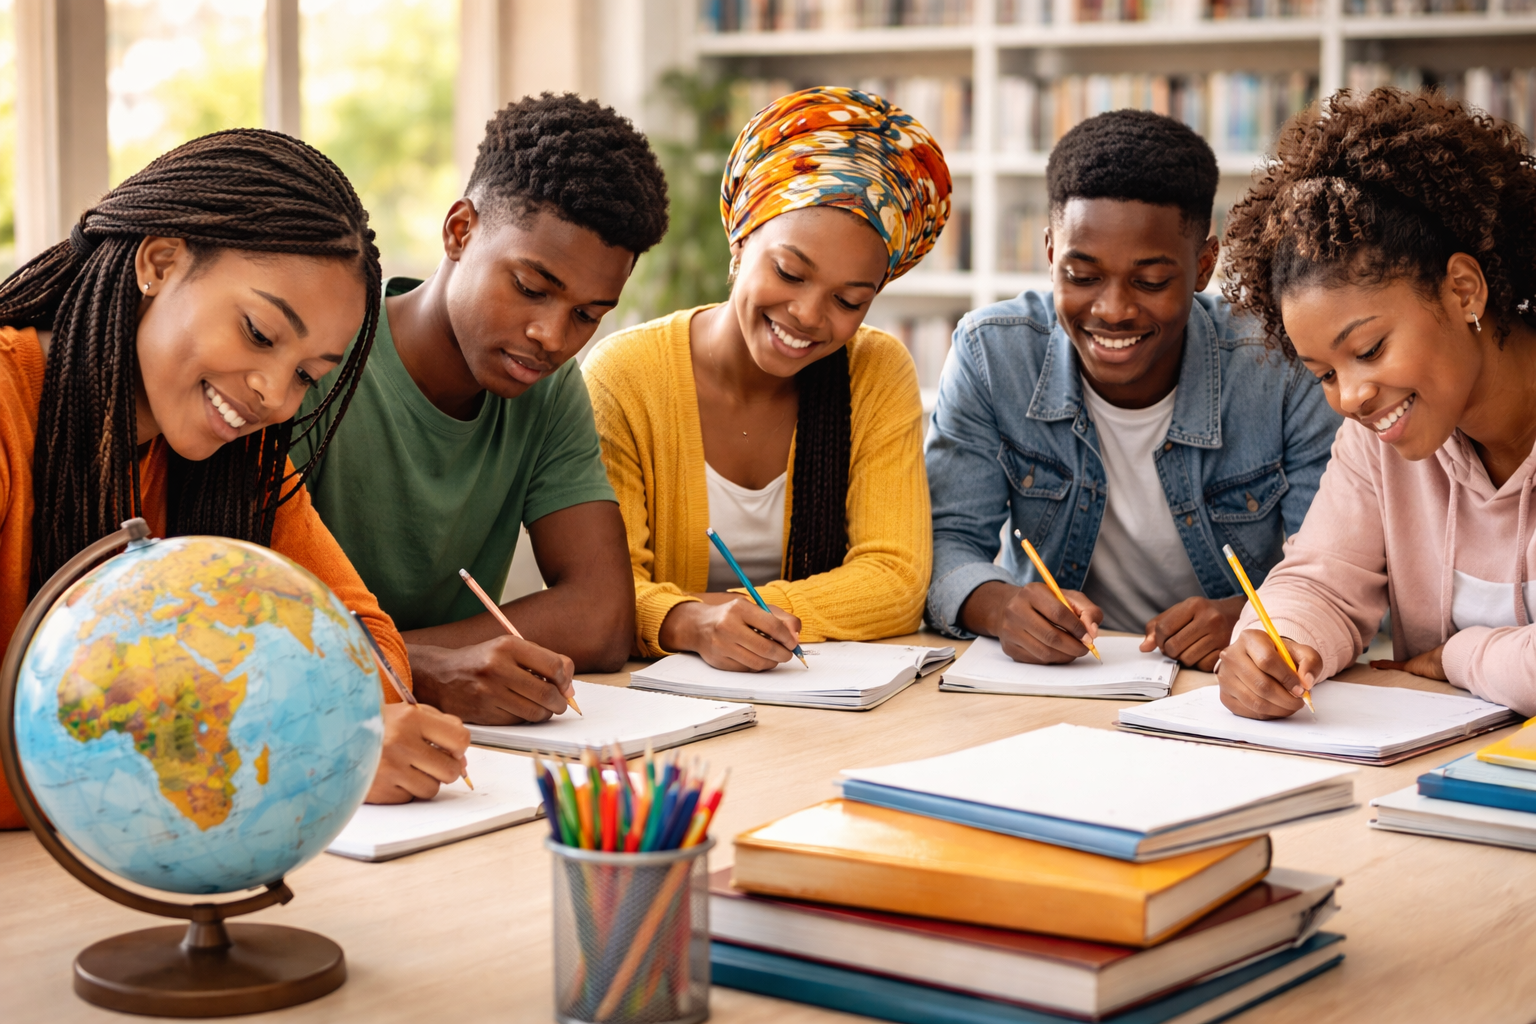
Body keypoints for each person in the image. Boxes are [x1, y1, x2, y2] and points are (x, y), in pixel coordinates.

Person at [0, 130, 470, 829]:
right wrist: (298, 749)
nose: (274, 398)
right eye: (258, 332)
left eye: (309, 375)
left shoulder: (233, 465)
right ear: (159, 261)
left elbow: (363, 642)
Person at [293, 94, 668, 723]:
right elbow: (241, 627)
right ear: (460, 231)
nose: (552, 336)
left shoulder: (548, 388)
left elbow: (602, 617)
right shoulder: (315, 361)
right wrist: (416, 673)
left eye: (587, 316)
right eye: (530, 288)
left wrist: (397, 664)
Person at [925, 109, 1341, 669]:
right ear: (1050, 254)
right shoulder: (992, 355)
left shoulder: (1281, 365)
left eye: (1150, 281)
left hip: (1229, 686)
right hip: (1058, 683)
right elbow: (946, 541)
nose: (1113, 310)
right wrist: (1001, 608)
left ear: (1204, 265)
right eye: (1081, 276)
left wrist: (1255, 615)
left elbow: (1337, 566)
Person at [583, 86, 949, 671]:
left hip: (821, 695)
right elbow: (605, 594)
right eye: (788, 271)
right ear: (740, 240)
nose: (808, 315)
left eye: (849, 300)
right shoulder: (625, 377)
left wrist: (725, 616)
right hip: (659, 704)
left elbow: (897, 580)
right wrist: (693, 624)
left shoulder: (875, 370)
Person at [1215, 88, 1536, 718]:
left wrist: (1458, 657)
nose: (1352, 397)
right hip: (1444, 788)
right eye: (1324, 374)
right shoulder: (1382, 435)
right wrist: (1274, 643)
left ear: (1463, 290)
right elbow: (1322, 580)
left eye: (1369, 348)